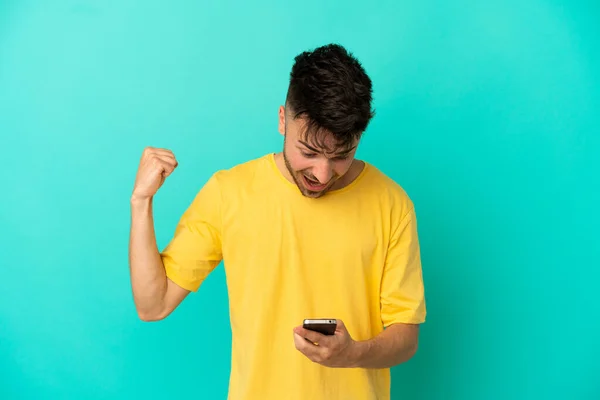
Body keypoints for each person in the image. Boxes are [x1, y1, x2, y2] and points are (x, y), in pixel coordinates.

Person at [129, 43, 426, 400]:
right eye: (309, 152)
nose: (322, 173)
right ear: (283, 120)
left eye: (340, 156)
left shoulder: (392, 204)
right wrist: (141, 201)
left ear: (358, 138)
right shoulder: (230, 193)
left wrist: (352, 354)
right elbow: (153, 304)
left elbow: (406, 338)